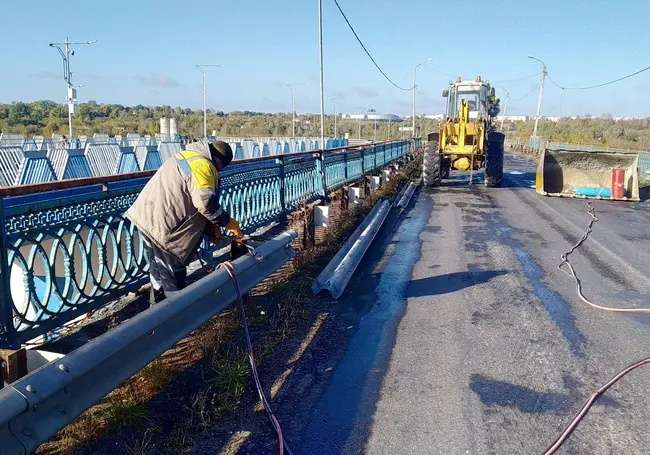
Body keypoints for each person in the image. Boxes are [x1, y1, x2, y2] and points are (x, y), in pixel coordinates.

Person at [125, 140, 243, 305]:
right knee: (173, 278)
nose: (221, 170)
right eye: (222, 165)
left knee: (157, 274)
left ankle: (156, 315)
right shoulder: (204, 165)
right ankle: (176, 319)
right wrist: (227, 222)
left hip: (147, 218)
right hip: (166, 228)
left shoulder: (187, 156)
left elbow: (187, 194)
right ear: (218, 158)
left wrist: (210, 229)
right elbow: (205, 202)